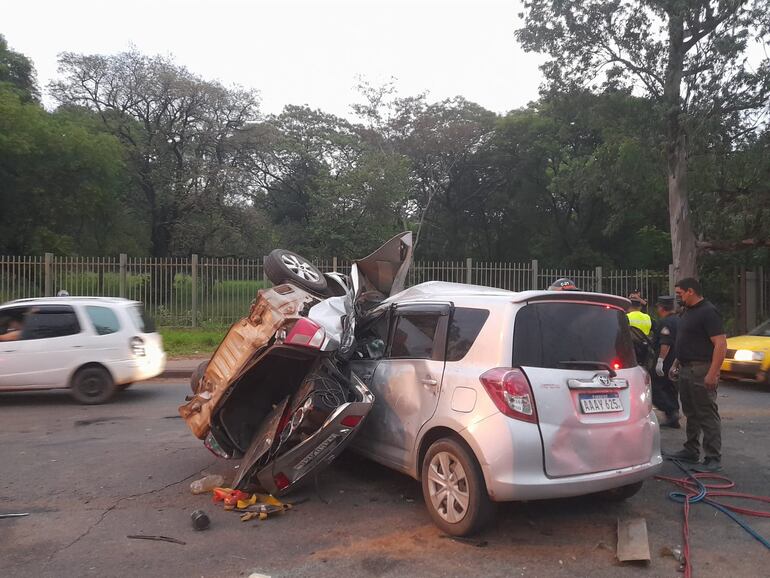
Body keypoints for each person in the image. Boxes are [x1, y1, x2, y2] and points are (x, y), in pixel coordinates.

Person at [665, 277, 727, 473]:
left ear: (691, 291)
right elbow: (684, 341)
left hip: (701, 369)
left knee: (706, 413)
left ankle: (713, 457)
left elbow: (721, 344)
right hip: (685, 368)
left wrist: (713, 372)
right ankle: (691, 450)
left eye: (680, 294)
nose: (678, 298)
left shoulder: (708, 312)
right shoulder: (687, 312)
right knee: (691, 412)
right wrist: (676, 363)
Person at [652, 296, 680, 428]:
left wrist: (660, 361)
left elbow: (665, 343)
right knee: (671, 389)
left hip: (666, 361)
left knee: (655, 389)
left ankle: (671, 411)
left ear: (661, 308)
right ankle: (673, 418)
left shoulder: (666, 322)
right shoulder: (678, 320)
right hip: (676, 359)